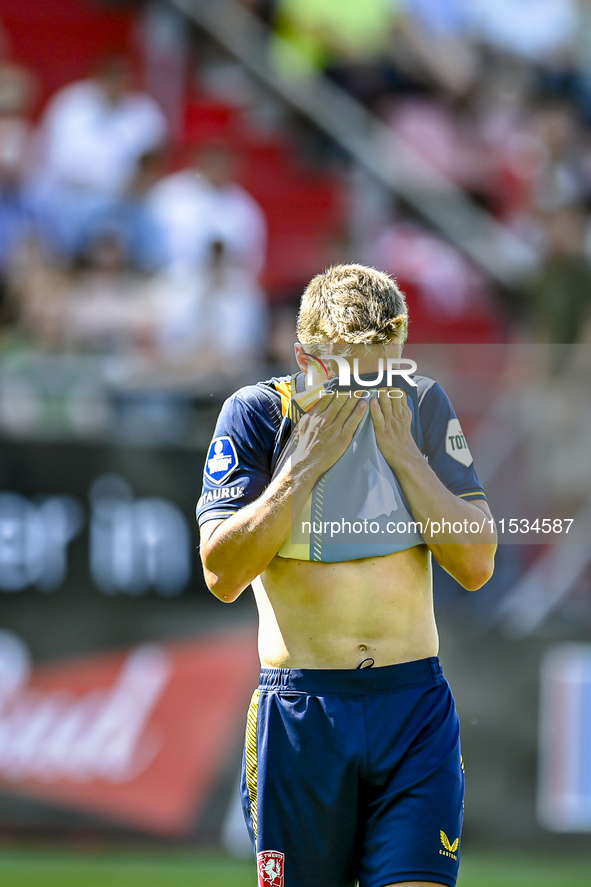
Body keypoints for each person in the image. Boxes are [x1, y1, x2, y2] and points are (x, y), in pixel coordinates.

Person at [197, 264, 497, 887]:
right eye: (349, 370)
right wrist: (300, 471)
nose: (368, 388)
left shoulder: (423, 407)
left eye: (383, 369)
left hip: (412, 707)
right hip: (303, 712)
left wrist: (407, 458)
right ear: (305, 356)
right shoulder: (257, 416)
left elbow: (476, 564)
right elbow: (221, 572)